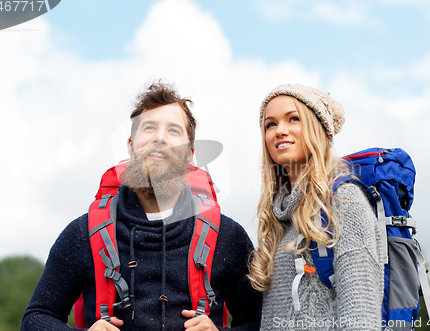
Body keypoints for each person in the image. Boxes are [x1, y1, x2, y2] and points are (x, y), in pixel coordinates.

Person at [21, 81, 262, 331]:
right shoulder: (83, 233)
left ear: (190, 153)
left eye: (173, 131)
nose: (160, 138)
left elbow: (259, 322)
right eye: (149, 128)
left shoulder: (228, 236)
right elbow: (36, 318)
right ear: (130, 145)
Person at [248, 84, 384, 330]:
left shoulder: (345, 202)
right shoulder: (278, 217)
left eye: (293, 119)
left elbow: (361, 317)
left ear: (318, 130)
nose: (280, 130)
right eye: (270, 124)